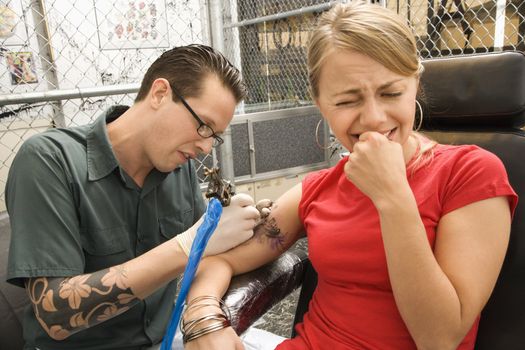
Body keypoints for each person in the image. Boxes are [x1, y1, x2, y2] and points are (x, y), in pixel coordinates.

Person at [182, 3, 518, 350]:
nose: (373, 118)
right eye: (346, 101)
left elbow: (440, 338)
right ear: (321, 103)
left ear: (415, 84)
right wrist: (203, 317)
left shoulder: (470, 173)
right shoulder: (318, 189)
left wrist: (392, 197)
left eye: (391, 93)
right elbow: (219, 259)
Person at [5, 44, 263, 350]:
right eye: (203, 126)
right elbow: (55, 313)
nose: (206, 148)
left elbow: (211, 255)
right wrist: (190, 243)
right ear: (159, 94)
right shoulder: (50, 161)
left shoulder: (177, 169)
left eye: (214, 136)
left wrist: (245, 227)